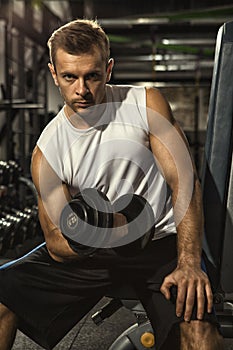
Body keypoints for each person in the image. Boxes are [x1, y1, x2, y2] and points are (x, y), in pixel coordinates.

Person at [0, 19, 224, 350]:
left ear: (108, 69)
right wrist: (107, 230)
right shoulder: (48, 150)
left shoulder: (145, 104)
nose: (81, 89)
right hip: (91, 253)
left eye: (91, 75)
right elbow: (57, 244)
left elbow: (184, 181)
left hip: (159, 246)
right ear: (53, 74)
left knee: (200, 332)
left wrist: (189, 262)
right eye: (69, 77)